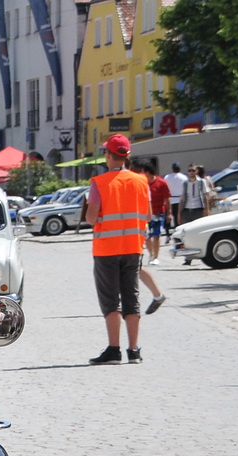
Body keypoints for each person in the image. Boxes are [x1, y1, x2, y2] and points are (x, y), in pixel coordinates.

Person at [84, 134, 149, 365]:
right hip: (133, 247)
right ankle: (134, 351)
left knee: (111, 301)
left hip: (106, 249)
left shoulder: (99, 183)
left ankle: (114, 350)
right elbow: (148, 215)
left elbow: (91, 218)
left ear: (108, 155)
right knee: (132, 298)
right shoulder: (141, 181)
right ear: (127, 155)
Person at [141, 163, 168, 313]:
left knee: (156, 236)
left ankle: (156, 256)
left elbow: (166, 199)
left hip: (158, 214)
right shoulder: (143, 183)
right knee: (147, 237)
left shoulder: (160, 183)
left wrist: (169, 213)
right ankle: (151, 254)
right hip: (145, 216)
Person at [162, 162, 186, 231]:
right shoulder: (183, 177)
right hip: (179, 200)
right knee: (177, 217)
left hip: (170, 200)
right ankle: (177, 230)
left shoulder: (167, 177)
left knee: (168, 216)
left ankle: (167, 232)